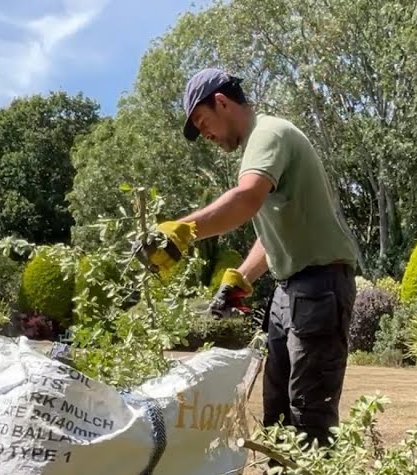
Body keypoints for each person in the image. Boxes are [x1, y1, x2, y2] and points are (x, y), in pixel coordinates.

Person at [138, 68, 361, 455]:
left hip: (320, 285)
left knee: (309, 414)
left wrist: (182, 233)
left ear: (221, 102)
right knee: (277, 411)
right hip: (291, 290)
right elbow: (272, 231)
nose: (206, 134)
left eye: (203, 122)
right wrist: (241, 278)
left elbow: (246, 199)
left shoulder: (268, 134)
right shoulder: (261, 145)